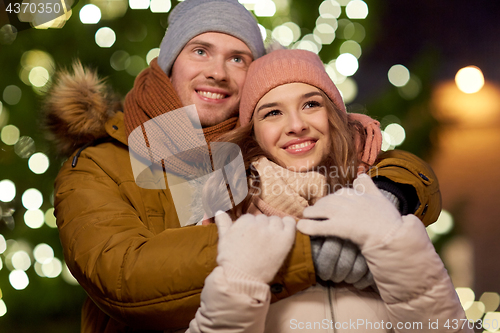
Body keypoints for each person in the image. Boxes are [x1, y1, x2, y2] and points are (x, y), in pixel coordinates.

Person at [43, 0, 442, 331]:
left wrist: (394, 193)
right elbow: (124, 273)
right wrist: (309, 254)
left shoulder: (268, 140)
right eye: (200, 51)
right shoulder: (99, 162)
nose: (217, 72)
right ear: (167, 64)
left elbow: (377, 157)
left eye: (238, 58)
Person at [185, 49, 470, 333]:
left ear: (333, 114)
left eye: (310, 105)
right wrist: (238, 284)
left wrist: (392, 246)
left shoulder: (378, 200)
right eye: (272, 112)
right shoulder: (226, 214)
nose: (296, 125)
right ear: (254, 134)